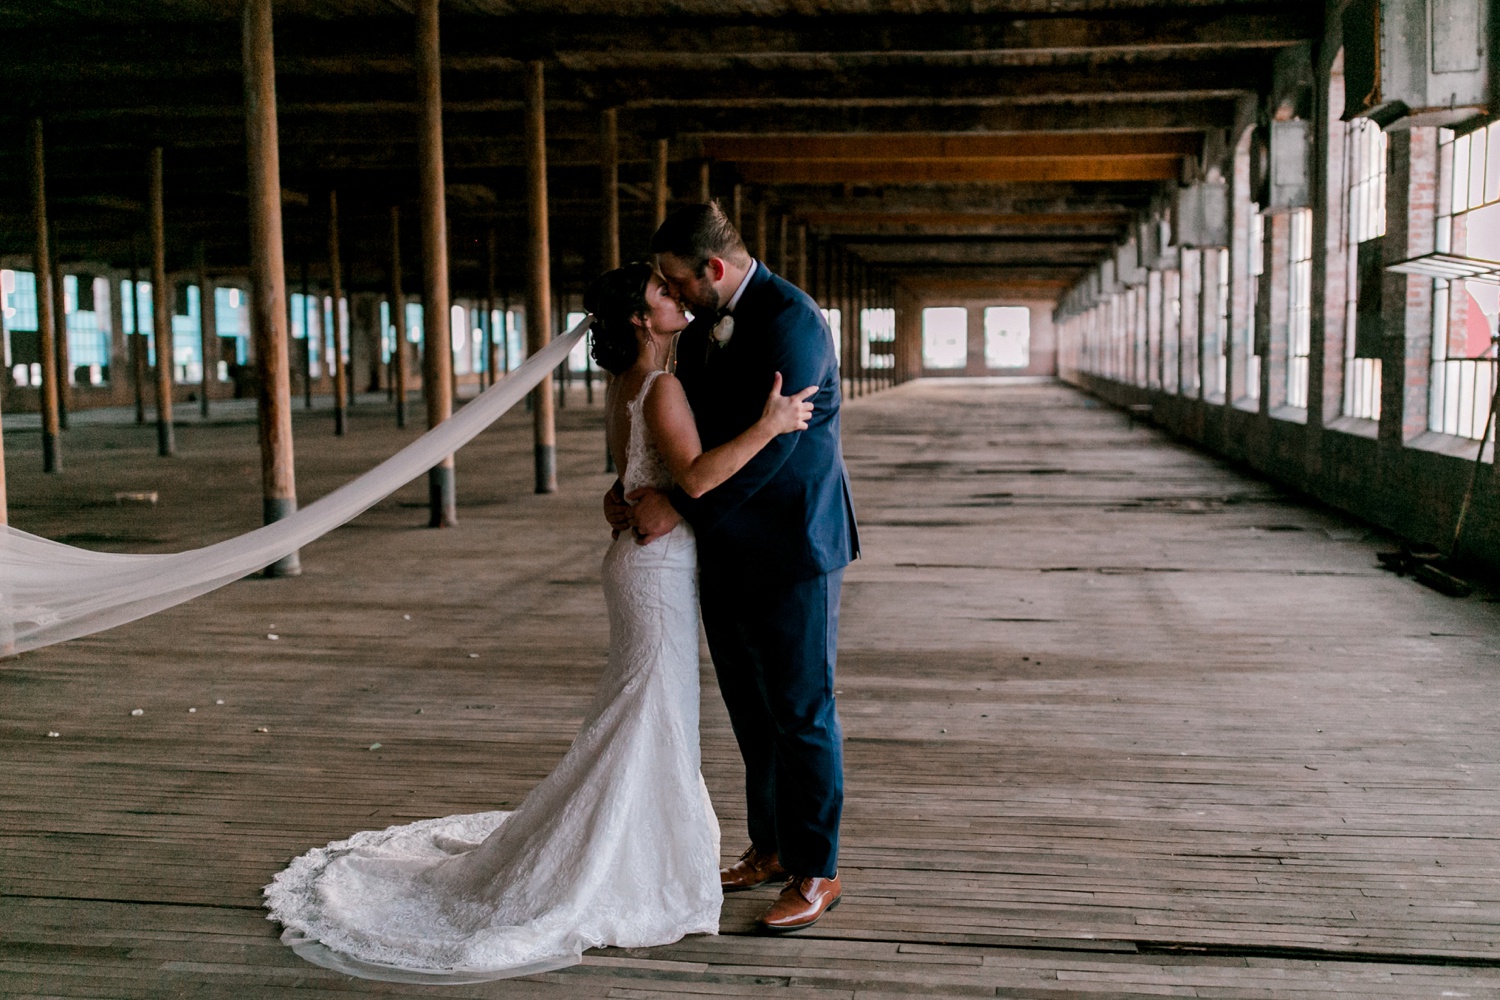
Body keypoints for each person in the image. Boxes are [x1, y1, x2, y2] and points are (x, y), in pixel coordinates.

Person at [263, 261, 817, 982]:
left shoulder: (630, 383)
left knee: (641, 712)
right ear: (639, 318)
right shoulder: (663, 385)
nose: (677, 297)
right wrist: (771, 425)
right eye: (663, 292)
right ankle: (617, 867)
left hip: (639, 560)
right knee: (650, 712)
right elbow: (695, 476)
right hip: (655, 569)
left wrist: (626, 497)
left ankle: (624, 852)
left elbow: (633, 479)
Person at [606, 202, 859, 933]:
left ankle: (817, 868)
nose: (674, 294)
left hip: (792, 547)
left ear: (713, 269)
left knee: (801, 711)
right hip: (720, 549)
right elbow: (690, 434)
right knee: (750, 710)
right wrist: (636, 488)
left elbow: (778, 446)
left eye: (679, 281)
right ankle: (770, 846)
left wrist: (679, 505)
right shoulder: (699, 329)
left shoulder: (794, 320)